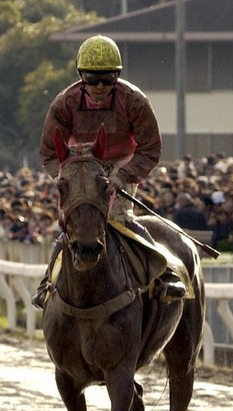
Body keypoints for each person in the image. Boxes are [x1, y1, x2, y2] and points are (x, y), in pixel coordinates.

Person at [32, 34, 186, 308]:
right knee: (77, 220)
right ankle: (48, 281)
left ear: (118, 76)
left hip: (120, 165)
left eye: (109, 78)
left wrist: (123, 176)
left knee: (117, 217)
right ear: (81, 75)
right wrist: (63, 176)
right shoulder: (65, 103)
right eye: (93, 79)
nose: (100, 86)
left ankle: (166, 274)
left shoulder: (134, 101)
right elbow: (48, 152)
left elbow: (150, 148)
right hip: (78, 166)